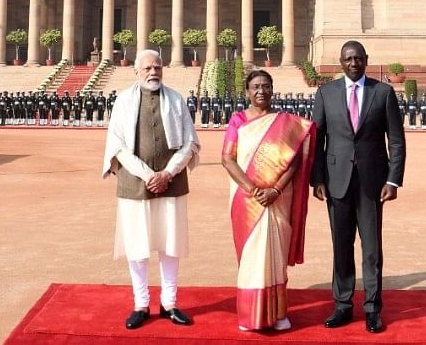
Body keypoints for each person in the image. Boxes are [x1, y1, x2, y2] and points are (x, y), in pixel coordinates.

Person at [310, 40, 406, 334]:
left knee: (372, 249)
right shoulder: (326, 93)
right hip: (336, 181)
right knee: (341, 246)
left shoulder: (383, 92)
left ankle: (373, 308)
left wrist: (393, 179)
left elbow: (397, 140)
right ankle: (342, 305)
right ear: (340, 62)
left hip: (372, 183)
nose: (354, 63)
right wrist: (318, 179)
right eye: (348, 58)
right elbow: (317, 141)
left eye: (358, 58)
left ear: (366, 60)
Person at [102, 49, 199, 331]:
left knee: (170, 246)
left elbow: (189, 142)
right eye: (147, 68)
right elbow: (118, 145)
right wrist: (148, 175)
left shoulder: (177, 100)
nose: (153, 72)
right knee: (138, 245)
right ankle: (140, 303)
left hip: (172, 181)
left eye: (157, 67)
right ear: (136, 72)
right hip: (135, 182)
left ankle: (169, 302)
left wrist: (167, 173)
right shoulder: (123, 101)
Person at [222, 70, 316, 332]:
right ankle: (251, 316)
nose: (260, 91)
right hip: (246, 199)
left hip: (278, 198)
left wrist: (275, 189)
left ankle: (278, 313)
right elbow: (228, 159)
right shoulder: (238, 120)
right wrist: (253, 189)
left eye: (265, 86)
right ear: (247, 91)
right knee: (252, 255)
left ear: (272, 89)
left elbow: (295, 160)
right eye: (255, 86)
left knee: (274, 254)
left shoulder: (286, 123)